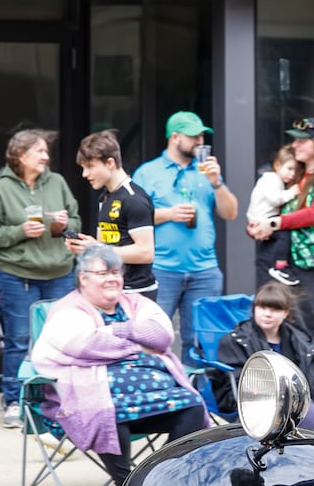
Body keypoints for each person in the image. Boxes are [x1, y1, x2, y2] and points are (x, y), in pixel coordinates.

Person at [29, 243, 209, 486]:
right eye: (103, 273)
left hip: (154, 399)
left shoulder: (135, 302)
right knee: (106, 410)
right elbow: (85, 345)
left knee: (193, 406)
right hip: (93, 397)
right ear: (83, 278)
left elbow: (162, 336)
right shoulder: (67, 309)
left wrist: (116, 330)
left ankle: (163, 480)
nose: (112, 278)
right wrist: (138, 345)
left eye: (116, 272)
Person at [0, 129, 80, 429]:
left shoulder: (58, 182)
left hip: (60, 274)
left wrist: (64, 225)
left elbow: (75, 221)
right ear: (20, 155)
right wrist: (21, 230)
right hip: (18, 276)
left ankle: (60, 401)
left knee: (63, 341)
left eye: (46, 152)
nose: (46, 157)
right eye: (40, 151)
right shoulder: (2, 188)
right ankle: (14, 401)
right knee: (19, 341)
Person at [131, 111, 240, 361]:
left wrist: (216, 183)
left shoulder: (206, 171)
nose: (200, 141)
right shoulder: (148, 173)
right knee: (152, 337)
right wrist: (169, 213)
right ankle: (158, 392)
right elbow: (132, 217)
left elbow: (231, 212)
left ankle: (197, 396)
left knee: (201, 342)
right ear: (175, 137)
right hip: (162, 268)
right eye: (193, 136)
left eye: (202, 135)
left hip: (205, 270)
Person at [245, 117, 314, 341]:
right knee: (268, 323)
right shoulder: (293, 174)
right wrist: (258, 225)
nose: (295, 145)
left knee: (306, 327)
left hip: (308, 265)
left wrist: (274, 223)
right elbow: (271, 209)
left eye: (303, 141)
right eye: (294, 141)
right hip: (275, 259)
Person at [212, 283, 314, 414]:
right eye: (262, 307)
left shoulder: (302, 340)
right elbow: (235, 387)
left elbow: (313, 382)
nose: (267, 314)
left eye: (275, 309)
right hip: (255, 403)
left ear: (286, 313)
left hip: (298, 402)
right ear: (254, 309)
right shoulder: (235, 341)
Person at [68, 130, 155, 296]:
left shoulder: (134, 198)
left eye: (90, 166)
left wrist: (98, 248)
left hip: (136, 292)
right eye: (83, 168)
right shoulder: (105, 197)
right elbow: (105, 246)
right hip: (110, 288)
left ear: (110, 163)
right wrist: (88, 247)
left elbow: (146, 253)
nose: (85, 174)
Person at [246, 144, 300, 289]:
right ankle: (281, 265)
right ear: (277, 165)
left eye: (296, 170)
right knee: (284, 234)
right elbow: (275, 199)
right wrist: (292, 193)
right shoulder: (272, 180)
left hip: (261, 219)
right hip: (263, 219)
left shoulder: (273, 179)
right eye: (289, 169)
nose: (292, 174)